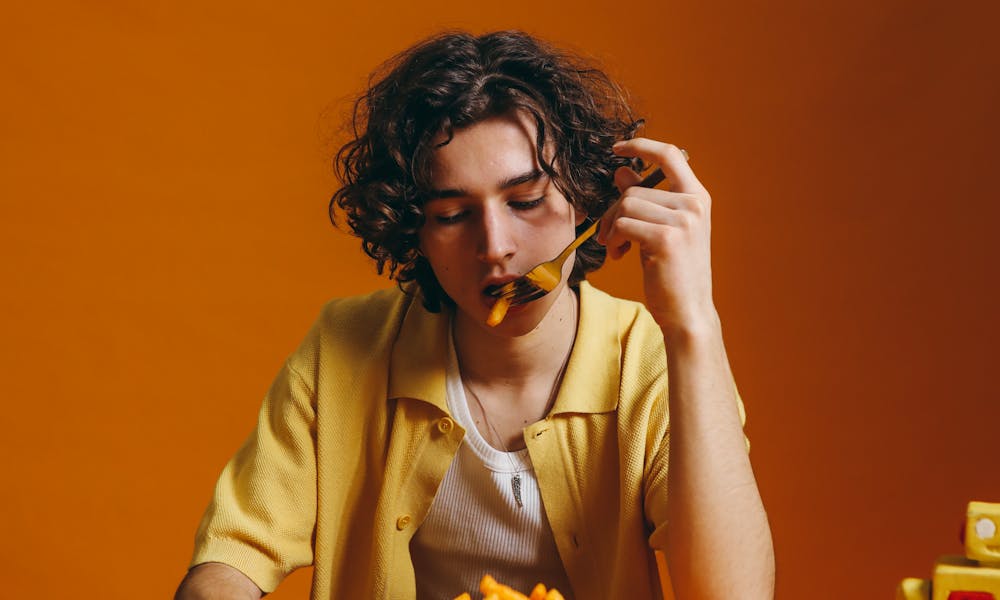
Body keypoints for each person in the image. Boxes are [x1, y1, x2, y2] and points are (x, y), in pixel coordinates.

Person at [175, 30, 774, 600]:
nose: (495, 247)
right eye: (454, 215)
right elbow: (229, 558)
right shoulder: (344, 346)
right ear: (416, 234)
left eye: (526, 201)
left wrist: (692, 323)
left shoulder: (651, 361)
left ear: (585, 200)